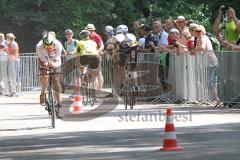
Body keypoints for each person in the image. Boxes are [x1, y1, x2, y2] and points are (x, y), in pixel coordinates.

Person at [36, 31, 63, 107]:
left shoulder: (58, 44)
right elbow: (42, 60)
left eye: (50, 47)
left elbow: (57, 59)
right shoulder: (39, 46)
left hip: (55, 59)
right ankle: (43, 92)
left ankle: (58, 100)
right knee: (44, 76)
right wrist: (46, 63)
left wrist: (53, 63)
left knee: (55, 79)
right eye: (47, 48)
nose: (49, 49)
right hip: (44, 59)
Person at [85, 24, 104, 91]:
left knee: (98, 72)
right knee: (92, 72)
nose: (88, 31)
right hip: (89, 57)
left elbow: (102, 46)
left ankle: (100, 88)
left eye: (89, 30)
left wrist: (97, 52)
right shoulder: (87, 37)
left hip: (97, 57)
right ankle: (95, 88)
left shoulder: (96, 36)